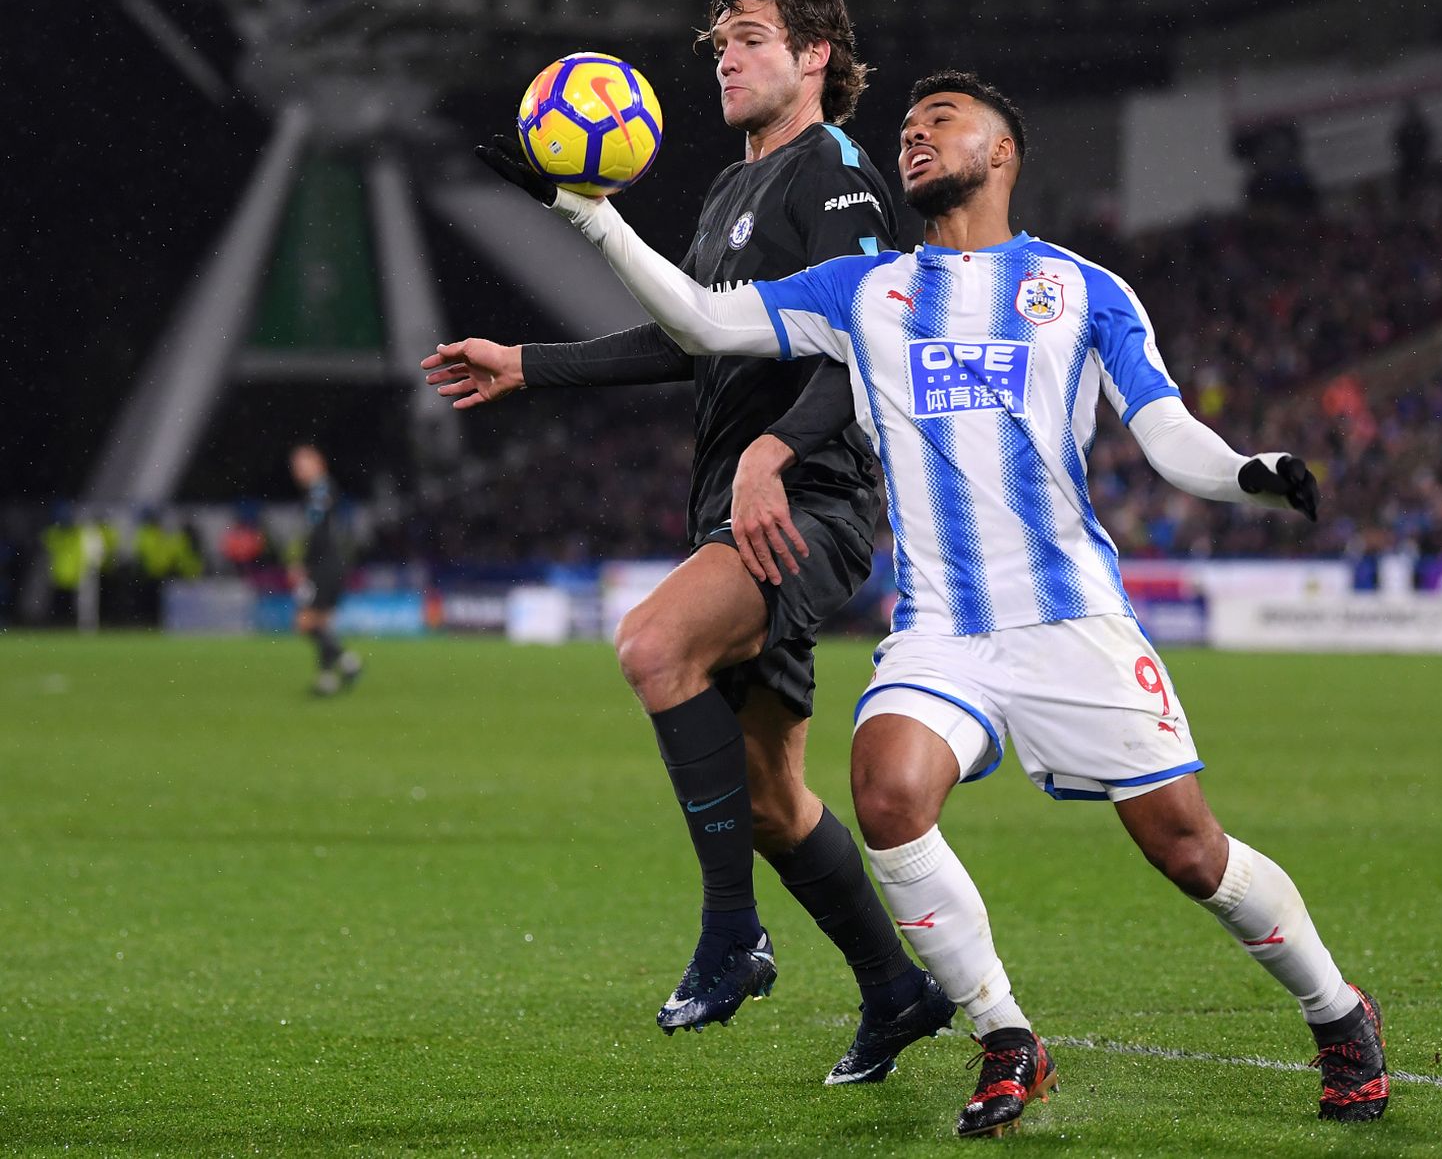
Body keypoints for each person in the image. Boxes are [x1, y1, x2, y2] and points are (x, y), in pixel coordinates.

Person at [528, 68, 1389, 1137]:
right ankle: (1003, 1037)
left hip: (1069, 618)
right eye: (907, 128)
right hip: (941, 630)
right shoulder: (867, 291)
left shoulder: (1083, 288)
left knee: (1188, 850)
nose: (917, 138)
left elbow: (1165, 429)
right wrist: (593, 217)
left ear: (1005, 151)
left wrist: (1244, 472)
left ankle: (1337, 1011)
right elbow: (703, 324)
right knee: (886, 792)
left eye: (943, 122)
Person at [422, 0, 951, 1082]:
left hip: (811, 499)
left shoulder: (839, 175)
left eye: (750, 39)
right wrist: (529, 364)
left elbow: (870, 338)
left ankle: (731, 938)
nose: (725, 57)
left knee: (652, 643)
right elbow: (693, 338)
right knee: (769, 803)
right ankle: (896, 989)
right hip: (741, 499)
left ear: (814, 58)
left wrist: (774, 451)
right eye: (718, 43)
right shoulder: (724, 193)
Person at [289, 445, 362, 698]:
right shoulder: (318, 491)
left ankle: (348, 661)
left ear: (318, 463)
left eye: (302, 464)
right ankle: (327, 678)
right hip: (333, 562)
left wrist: (303, 563)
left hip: (324, 564)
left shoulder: (320, 489)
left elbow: (315, 531)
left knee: (304, 622)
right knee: (321, 623)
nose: (297, 470)